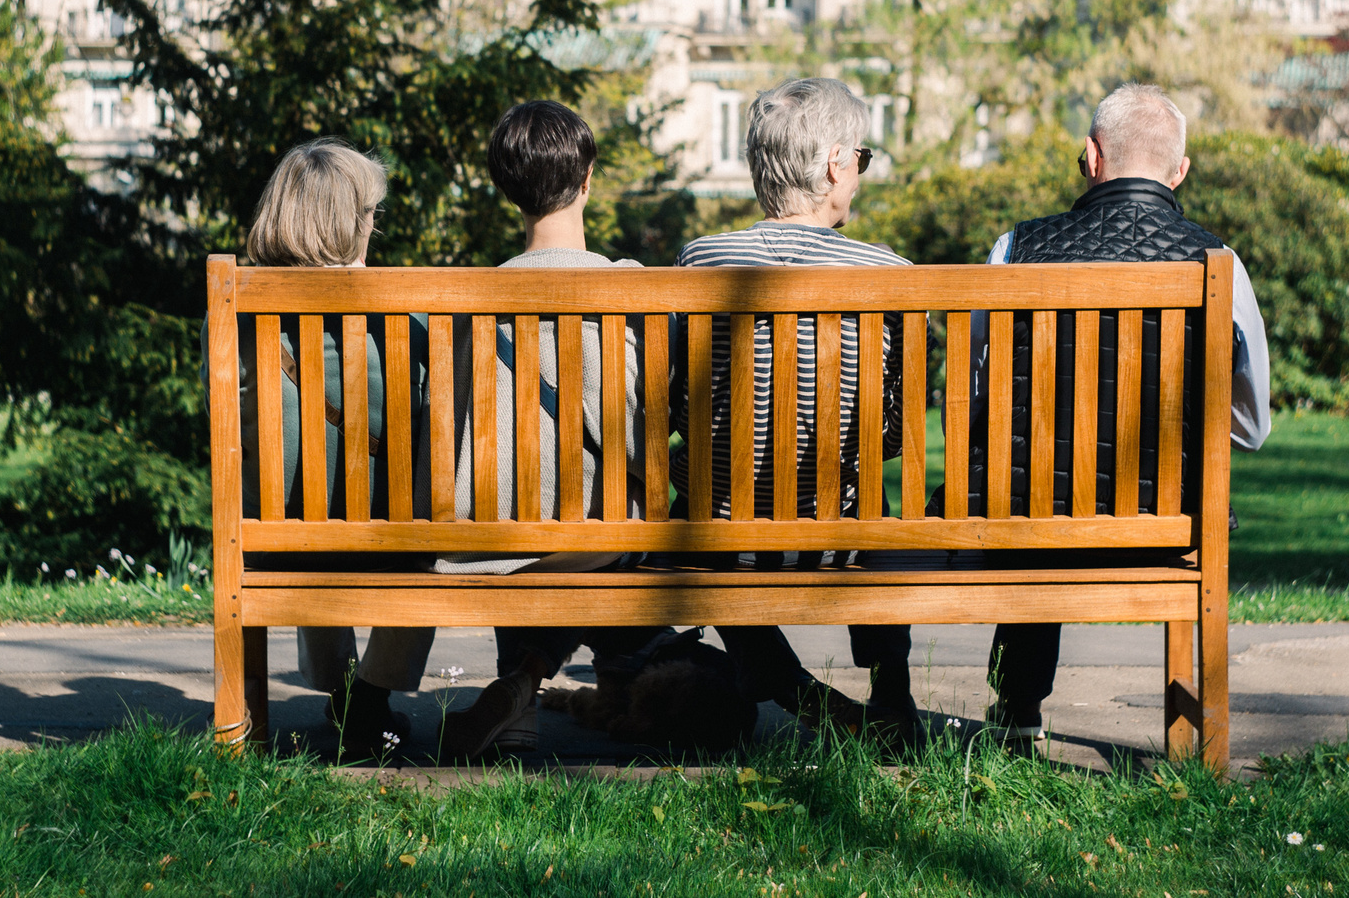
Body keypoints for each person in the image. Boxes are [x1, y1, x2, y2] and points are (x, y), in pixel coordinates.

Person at [963, 83, 1274, 750]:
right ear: (1179, 171)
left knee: (1034, 484)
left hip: (1028, 516)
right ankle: (1192, 734)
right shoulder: (1217, 261)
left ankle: (1017, 706)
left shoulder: (1016, 246)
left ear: (1090, 156)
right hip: (1162, 524)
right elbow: (1251, 426)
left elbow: (980, 394)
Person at [673, 77, 915, 745]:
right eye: (861, 160)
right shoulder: (889, 273)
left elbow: (673, 399)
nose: (859, 176)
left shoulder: (700, 259)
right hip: (841, 533)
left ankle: (796, 690)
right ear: (837, 162)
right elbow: (897, 432)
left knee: (698, 521)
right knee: (876, 504)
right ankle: (892, 693)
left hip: (723, 531)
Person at [435, 99, 656, 761]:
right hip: (598, 527)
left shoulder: (474, 296)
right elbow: (650, 422)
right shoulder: (628, 287)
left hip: (482, 525)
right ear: (587, 178)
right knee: (609, 510)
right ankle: (526, 680)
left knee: (524, 495)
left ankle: (520, 706)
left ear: (508, 190)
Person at [241, 138, 436, 760]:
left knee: (302, 496)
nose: (375, 225)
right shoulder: (405, 313)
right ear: (347, 222)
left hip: (269, 537)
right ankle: (369, 697)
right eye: (370, 213)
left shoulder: (236, 307)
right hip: (390, 539)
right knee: (418, 525)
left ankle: (340, 689)